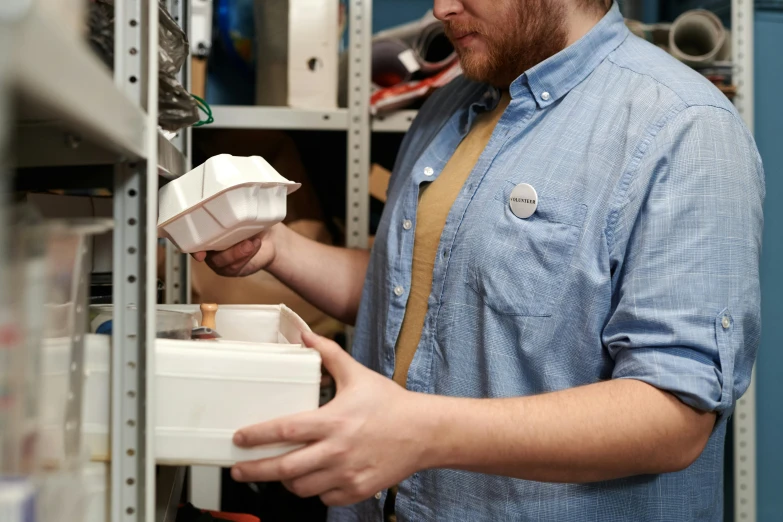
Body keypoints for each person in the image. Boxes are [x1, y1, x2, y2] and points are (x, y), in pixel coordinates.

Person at [193, 0, 765, 520]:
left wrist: (421, 431)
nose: (440, 8)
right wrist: (276, 247)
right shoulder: (453, 104)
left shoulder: (684, 127)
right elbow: (417, 291)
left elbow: (672, 418)